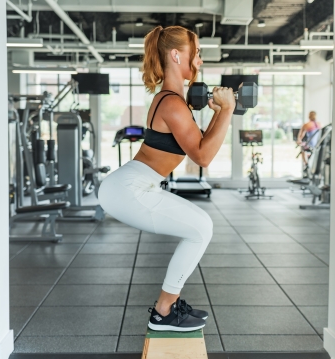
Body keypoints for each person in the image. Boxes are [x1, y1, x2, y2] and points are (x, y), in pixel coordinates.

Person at [97, 26, 235, 332]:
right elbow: (203, 156)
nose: (199, 60)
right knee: (201, 228)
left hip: (133, 185)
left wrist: (218, 112)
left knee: (199, 227)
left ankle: (167, 308)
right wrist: (227, 111)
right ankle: (164, 311)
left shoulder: (174, 100)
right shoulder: (172, 103)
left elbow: (200, 143)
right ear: (176, 55)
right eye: (196, 52)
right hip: (129, 189)